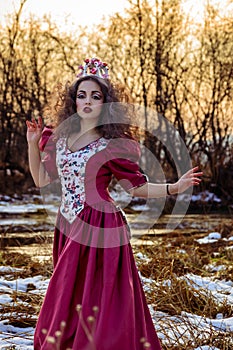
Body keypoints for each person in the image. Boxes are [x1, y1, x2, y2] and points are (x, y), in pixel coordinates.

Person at [26, 57, 202, 350]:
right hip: (67, 224)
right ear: (73, 101)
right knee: (70, 290)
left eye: (96, 96)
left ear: (106, 103)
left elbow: (137, 189)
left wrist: (174, 186)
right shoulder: (61, 139)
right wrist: (33, 143)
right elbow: (42, 180)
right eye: (81, 95)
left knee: (99, 293)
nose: (87, 101)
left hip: (99, 225)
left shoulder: (112, 145)